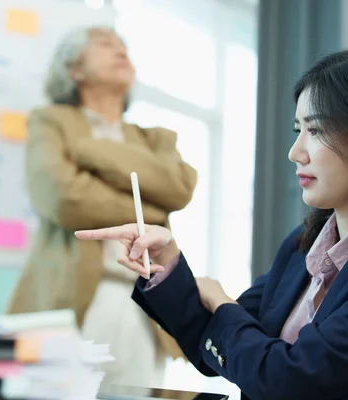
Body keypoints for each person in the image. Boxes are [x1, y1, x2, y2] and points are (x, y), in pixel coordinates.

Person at [75, 50, 348, 399]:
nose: (295, 152)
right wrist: (166, 263)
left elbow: (287, 379)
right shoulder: (302, 246)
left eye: (316, 130)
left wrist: (221, 301)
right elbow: (225, 342)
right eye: (298, 130)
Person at [6, 26, 197, 388]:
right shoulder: (51, 121)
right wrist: (149, 210)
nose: (120, 50)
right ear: (74, 70)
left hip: (146, 306)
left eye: (124, 45)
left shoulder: (153, 137)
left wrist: (92, 153)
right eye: (105, 45)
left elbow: (180, 188)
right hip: (71, 302)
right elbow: (62, 198)